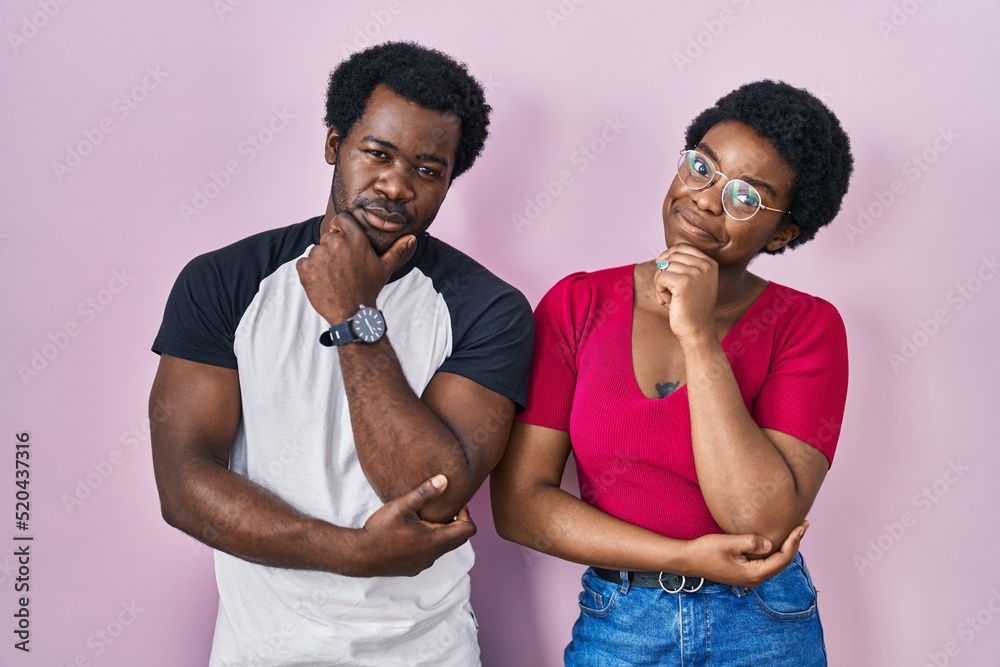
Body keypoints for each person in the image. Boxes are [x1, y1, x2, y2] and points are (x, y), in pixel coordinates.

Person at [149, 41, 533, 666]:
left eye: (428, 170)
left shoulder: (489, 310)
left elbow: (430, 492)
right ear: (334, 145)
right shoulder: (224, 281)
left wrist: (355, 316)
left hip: (426, 655)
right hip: (260, 653)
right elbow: (184, 485)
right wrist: (348, 552)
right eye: (376, 153)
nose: (396, 185)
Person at [491, 80, 853, 666]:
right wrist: (679, 558)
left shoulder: (807, 327)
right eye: (702, 167)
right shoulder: (578, 305)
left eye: (746, 198)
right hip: (622, 621)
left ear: (784, 232)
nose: (707, 200)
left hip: (762, 625)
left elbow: (758, 522)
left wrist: (699, 336)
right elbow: (520, 505)